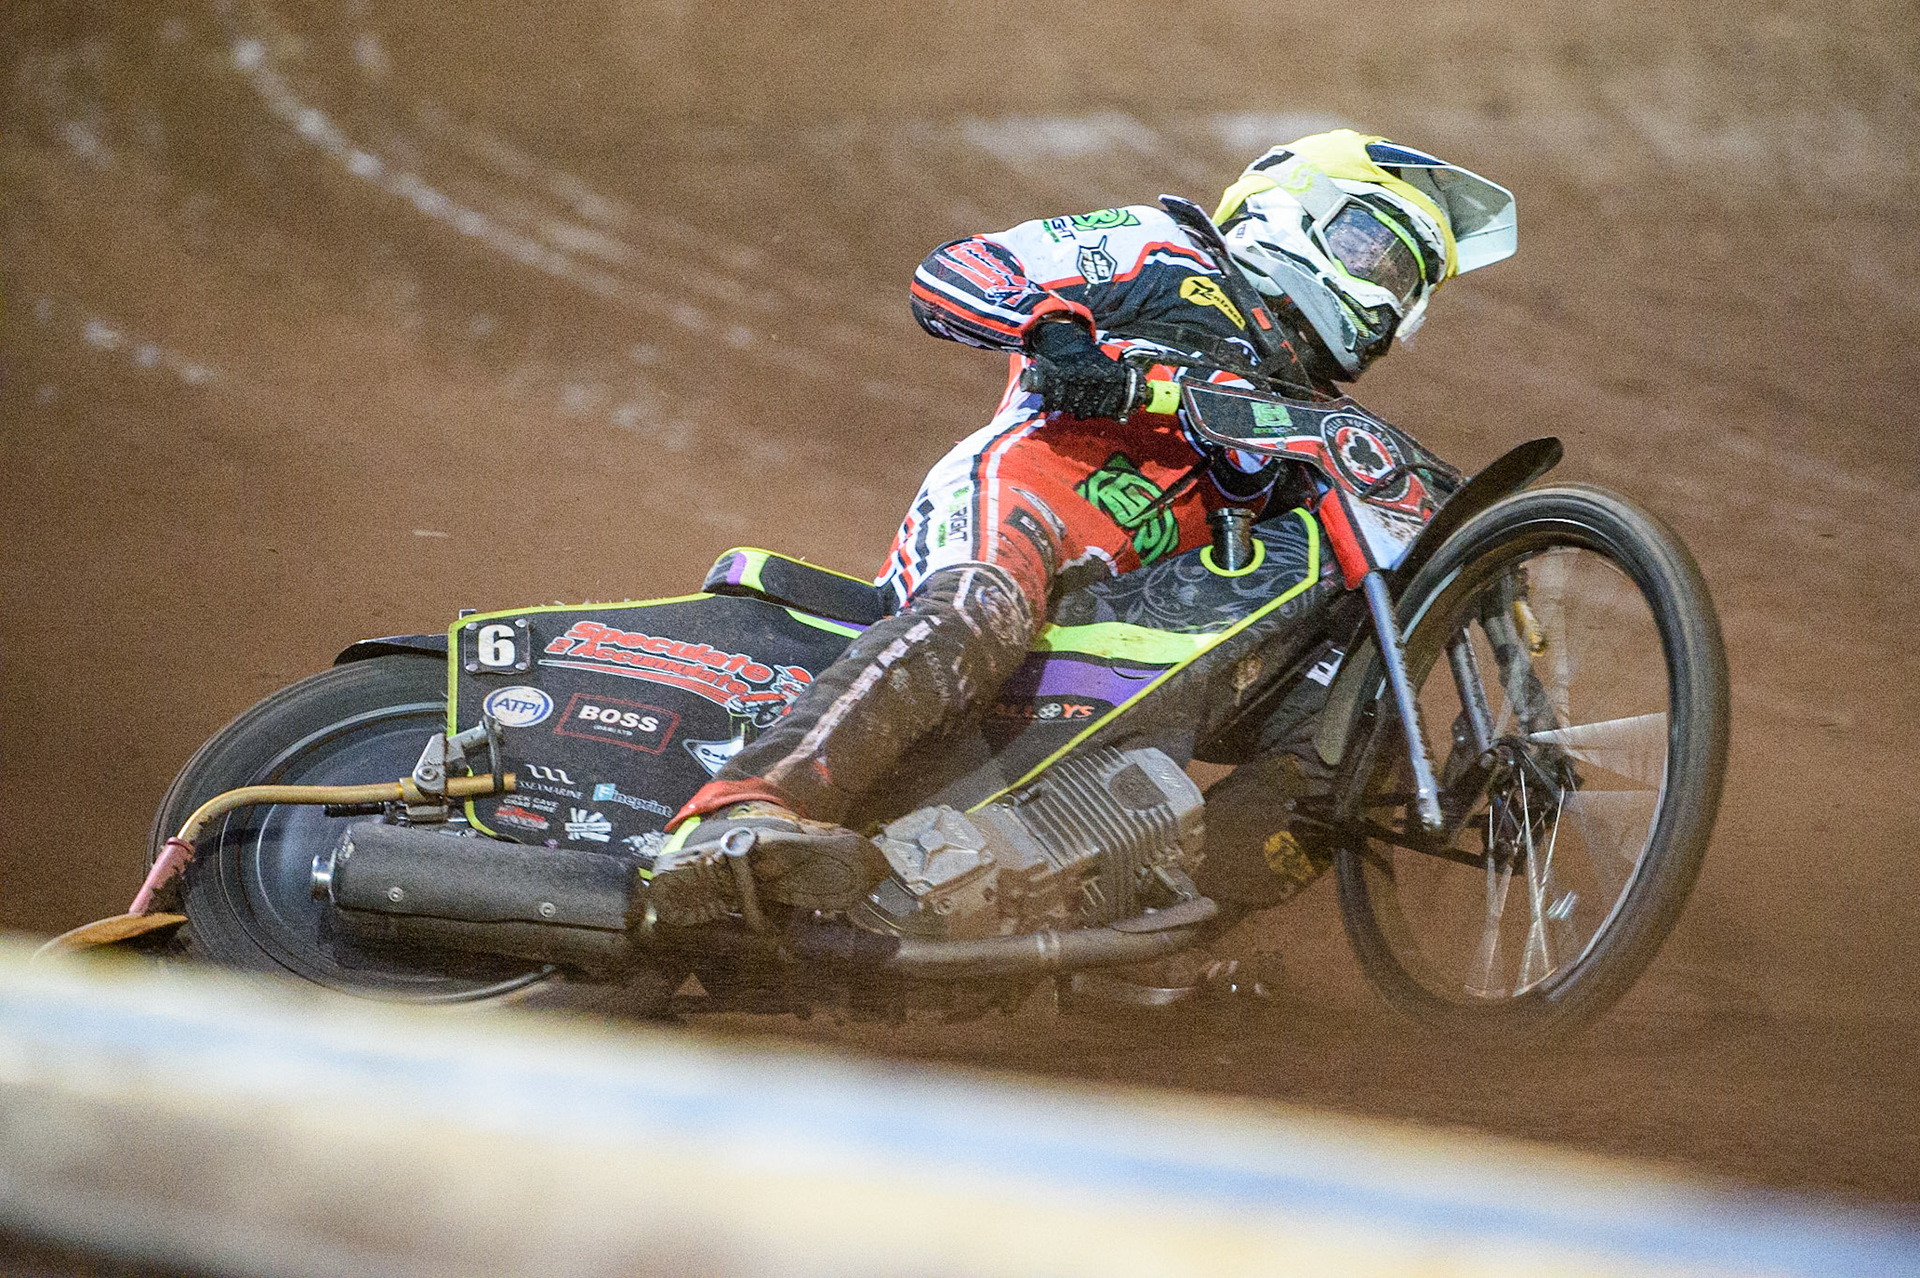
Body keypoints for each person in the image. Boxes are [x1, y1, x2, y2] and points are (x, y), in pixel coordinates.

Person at [645, 130, 1517, 926]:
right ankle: (740, 811)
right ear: (1286, 209)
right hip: (1026, 496)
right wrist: (1059, 340)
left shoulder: (1312, 414)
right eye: (1376, 252)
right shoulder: (1169, 251)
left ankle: (1157, 929)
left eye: (1411, 284)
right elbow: (960, 268)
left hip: (1140, 602)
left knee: (1360, 736)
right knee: (980, 610)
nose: (1388, 296)